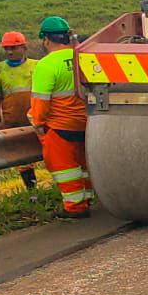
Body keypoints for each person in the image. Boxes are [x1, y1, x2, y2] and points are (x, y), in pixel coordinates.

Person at [27, 17, 94, 218]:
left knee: (65, 169)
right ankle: (87, 198)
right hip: (88, 124)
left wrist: (37, 123)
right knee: (84, 167)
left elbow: (40, 102)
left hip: (60, 127)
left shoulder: (46, 65)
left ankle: (75, 208)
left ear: (46, 40)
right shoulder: (82, 57)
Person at [0, 31, 42, 193]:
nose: (10, 52)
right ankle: (33, 193)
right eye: (6, 49)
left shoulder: (37, 65)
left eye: (13, 48)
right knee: (23, 162)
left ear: (24, 48)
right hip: (14, 122)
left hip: (38, 119)